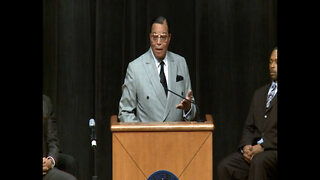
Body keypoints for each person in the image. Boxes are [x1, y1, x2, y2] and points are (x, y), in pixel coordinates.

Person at [118, 16, 197, 122]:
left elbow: (191, 109)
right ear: (150, 37)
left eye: (163, 37)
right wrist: (141, 135)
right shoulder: (135, 68)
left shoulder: (180, 63)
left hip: (177, 137)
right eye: (155, 37)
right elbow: (125, 112)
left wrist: (188, 108)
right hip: (147, 137)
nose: (158, 42)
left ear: (169, 38)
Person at [217, 47, 278, 180]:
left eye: (276, 62)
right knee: (225, 167)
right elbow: (249, 127)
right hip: (256, 151)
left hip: (273, 150)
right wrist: (246, 147)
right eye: (270, 62)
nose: (272, 66)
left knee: (259, 161)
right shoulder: (259, 94)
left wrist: (263, 146)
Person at [43, 94, 78, 180]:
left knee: (69, 162)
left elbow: (53, 140)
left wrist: (50, 161)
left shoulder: (45, 102)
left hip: (44, 159)